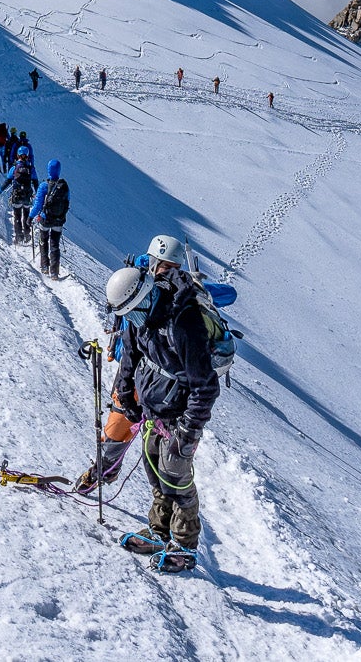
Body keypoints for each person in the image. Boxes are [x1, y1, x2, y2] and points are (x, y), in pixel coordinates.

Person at [110, 237, 219, 573]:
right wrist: (126, 395)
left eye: (136, 311)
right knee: (155, 469)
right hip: (153, 407)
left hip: (180, 413)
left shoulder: (182, 323)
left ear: (145, 298)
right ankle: (158, 531)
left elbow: (205, 385)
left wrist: (188, 432)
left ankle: (185, 545)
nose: (135, 319)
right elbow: (130, 355)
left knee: (177, 476)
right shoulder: (139, 315)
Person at [31, 159, 71, 278]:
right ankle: (54, 272)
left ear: (49, 169)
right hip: (58, 220)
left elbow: (38, 205)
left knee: (43, 242)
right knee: (55, 245)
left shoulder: (44, 185)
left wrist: (30, 216)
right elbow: (67, 203)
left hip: (45, 219)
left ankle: (44, 267)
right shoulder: (64, 186)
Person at [2, 155, 38, 243]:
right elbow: (36, 182)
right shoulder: (31, 168)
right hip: (27, 197)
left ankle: (19, 236)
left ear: (18, 155)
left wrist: (0, 190)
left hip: (17, 196)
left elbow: (8, 180)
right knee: (26, 215)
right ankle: (27, 234)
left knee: (17, 216)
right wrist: (38, 193)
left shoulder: (14, 167)